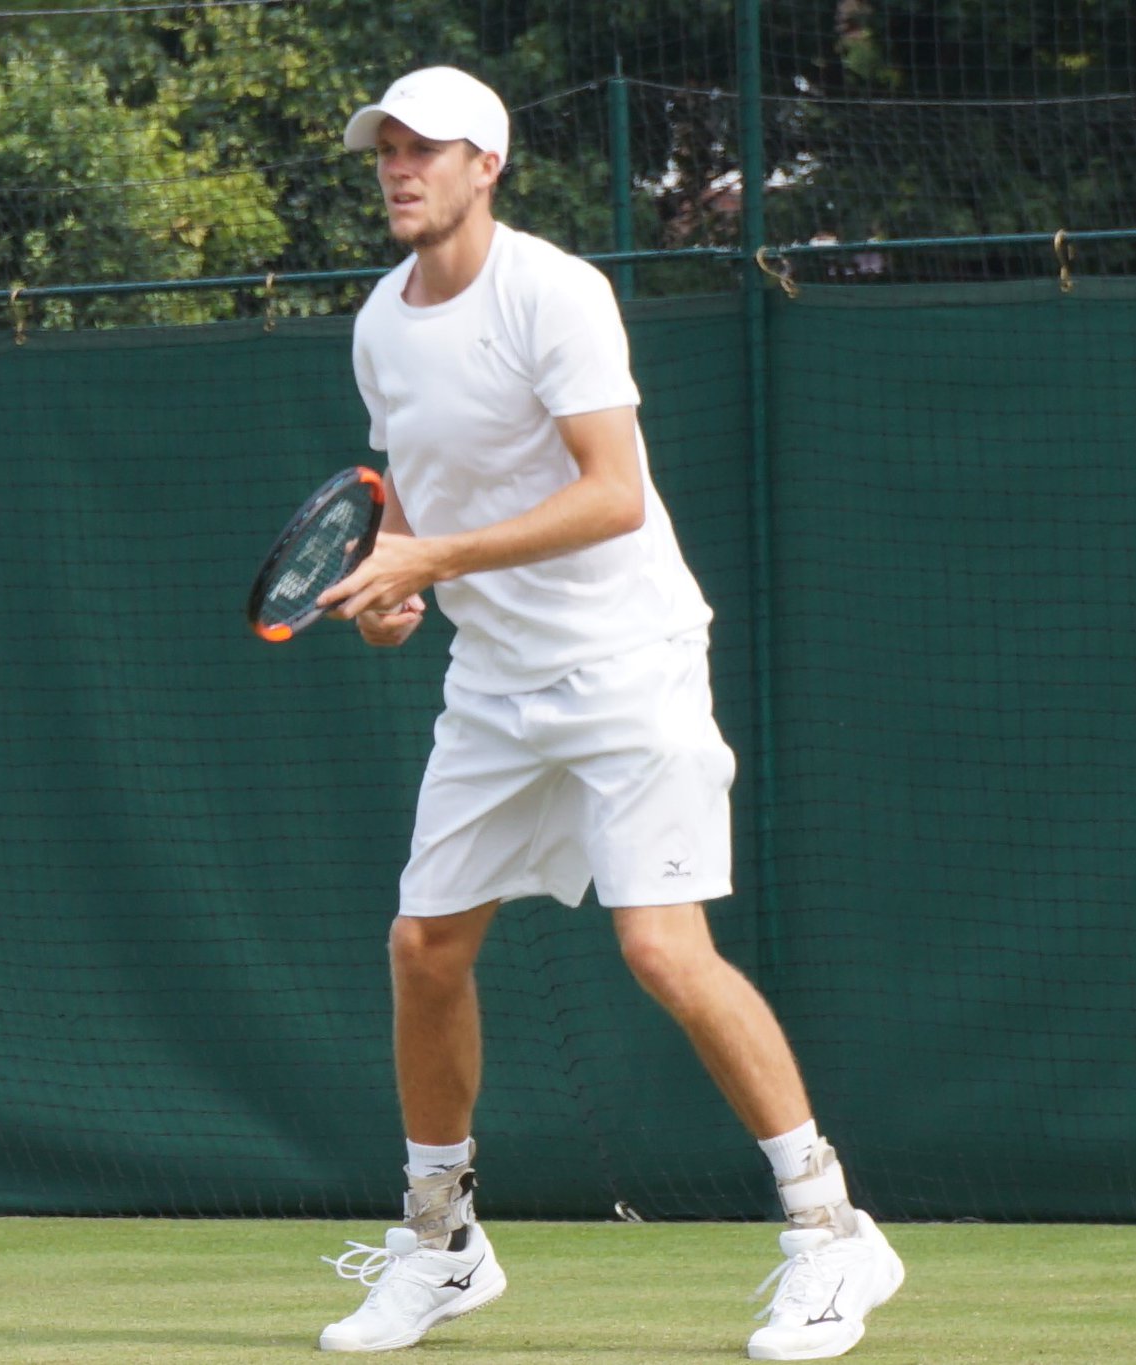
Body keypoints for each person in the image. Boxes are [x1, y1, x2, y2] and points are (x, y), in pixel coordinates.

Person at [314, 66, 905, 1361]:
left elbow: (613, 495)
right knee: (424, 948)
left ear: (489, 167)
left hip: (630, 661)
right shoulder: (377, 321)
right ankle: (441, 1241)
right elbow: (409, 504)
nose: (400, 170)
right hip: (495, 683)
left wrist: (434, 563)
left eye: (428, 151)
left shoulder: (554, 294)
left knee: (662, 952)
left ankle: (830, 1230)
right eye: (386, 152)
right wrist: (391, 589)